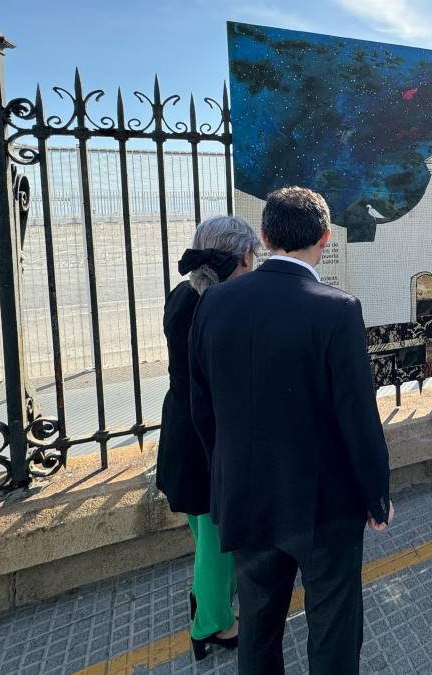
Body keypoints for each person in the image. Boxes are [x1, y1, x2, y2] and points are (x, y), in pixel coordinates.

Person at [188, 186, 392, 675]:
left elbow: (202, 407)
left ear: (264, 237)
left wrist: (226, 475)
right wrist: (376, 495)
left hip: (246, 496)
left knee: (258, 628)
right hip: (326, 504)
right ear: (325, 238)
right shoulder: (338, 308)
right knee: (334, 626)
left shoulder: (214, 302)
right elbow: (358, 417)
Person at [156, 215, 259, 660]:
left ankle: (204, 599)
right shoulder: (219, 306)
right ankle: (213, 624)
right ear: (241, 257)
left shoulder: (183, 295)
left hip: (181, 428)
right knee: (218, 538)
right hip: (206, 435)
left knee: (204, 533)